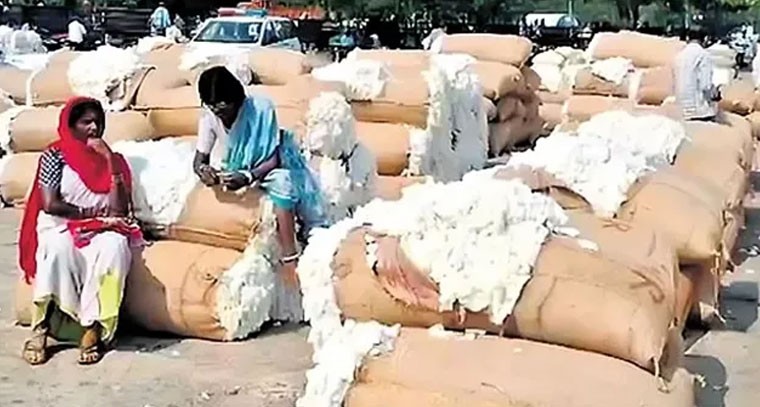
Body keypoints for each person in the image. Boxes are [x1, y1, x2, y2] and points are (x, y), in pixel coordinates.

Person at [19, 97, 141, 366]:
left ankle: (92, 328)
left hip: (101, 228)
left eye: (98, 122)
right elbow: (50, 203)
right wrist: (86, 214)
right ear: (71, 125)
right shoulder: (54, 155)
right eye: (87, 122)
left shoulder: (115, 160)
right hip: (62, 225)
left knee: (115, 248)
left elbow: (119, 209)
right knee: (57, 250)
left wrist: (109, 161)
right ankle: (41, 329)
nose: (94, 128)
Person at [193, 67, 326, 288]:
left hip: (264, 169)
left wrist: (247, 177)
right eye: (212, 105)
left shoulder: (260, 109)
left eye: (223, 105)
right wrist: (204, 172)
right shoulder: (209, 118)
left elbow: (273, 158)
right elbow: (199, 160)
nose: (218, 111)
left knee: (284, 184)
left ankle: (290, 257)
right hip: (232, 167)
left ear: (235, 98)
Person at [673, 39, 721, 121]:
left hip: (682, 110)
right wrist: (715, 93)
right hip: (699, 111)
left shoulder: (679, 56)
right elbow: (706, 86)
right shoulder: (703, 55)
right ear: (705, 39)